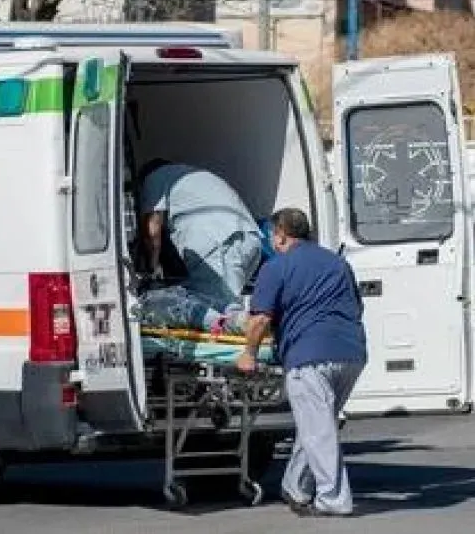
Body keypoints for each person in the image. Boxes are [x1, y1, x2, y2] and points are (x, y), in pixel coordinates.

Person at [237, 207, 367, 518]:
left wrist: (249, 354)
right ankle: (296, 487)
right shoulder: (338, 263)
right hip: (351, 354)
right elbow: (357, 307)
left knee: (318, 430)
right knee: (316, 425)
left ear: (280, 235)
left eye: (272, 234)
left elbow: (260, 320)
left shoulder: (277, 267)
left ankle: (334, 500)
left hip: (308, 355)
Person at [139, 160, 263, 307]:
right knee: (227, 308)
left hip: (219, 246)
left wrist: (153, 268)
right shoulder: (191, 175)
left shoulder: (153, 178)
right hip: (249, 238)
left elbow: (153, 229)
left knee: (218, 312)